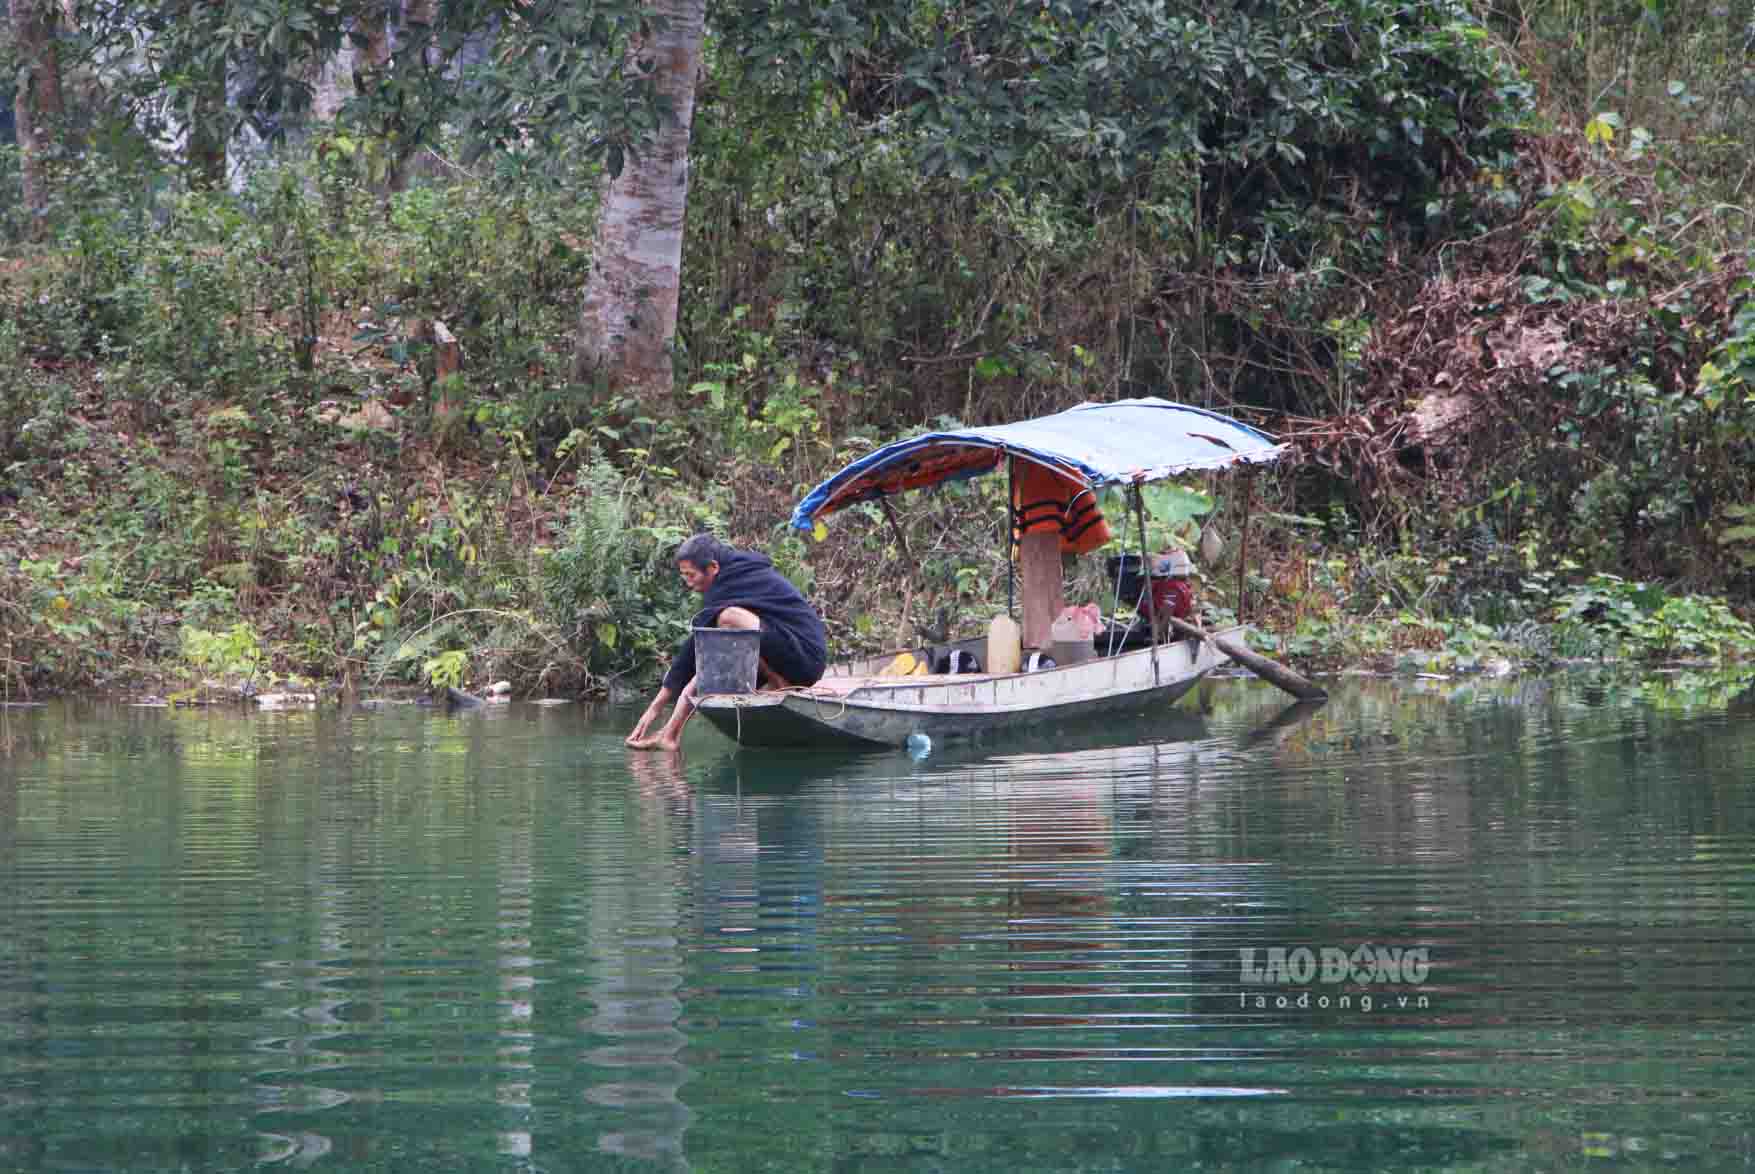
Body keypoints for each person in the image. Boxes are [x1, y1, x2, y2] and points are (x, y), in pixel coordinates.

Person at [626, 534, 828, 751]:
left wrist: (656, 706)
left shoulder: (734, 581)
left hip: (805, 658)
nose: (688, 582)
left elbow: (696, 646)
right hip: (786, 653)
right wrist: (658, 705)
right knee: (717, 646)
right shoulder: (730, 576)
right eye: (684, 576)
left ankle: (781, 686)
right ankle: (669, 734)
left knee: (729, 618)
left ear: (713, 567)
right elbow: (701, 647)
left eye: (691, 575)